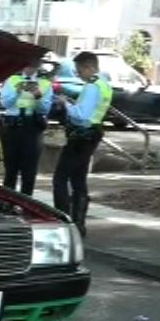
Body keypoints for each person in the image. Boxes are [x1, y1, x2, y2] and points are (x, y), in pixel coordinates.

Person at [52, 51, 113, 237]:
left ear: (90, 67)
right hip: (91, 135)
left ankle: (63, 219)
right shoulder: (104, 85)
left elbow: (82, 115)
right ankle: (78, 223)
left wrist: (66, 104)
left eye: (79, 70)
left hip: (81, 136)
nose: (77, 74)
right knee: (79, 180)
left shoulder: (93, 87)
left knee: (60, 178)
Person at [0, 58, 53, 195]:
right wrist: (17, 91)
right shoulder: (12, 80)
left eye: (33, 66)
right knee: (11, 169)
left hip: (32, 127)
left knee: (29, 171)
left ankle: (26, 202)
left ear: (38, 66)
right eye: (27, 65)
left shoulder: (44, 84)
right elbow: (4, 103)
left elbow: (45, 109)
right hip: (13, 126)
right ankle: (8, 203)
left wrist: (37, 96)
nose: (29, 69)